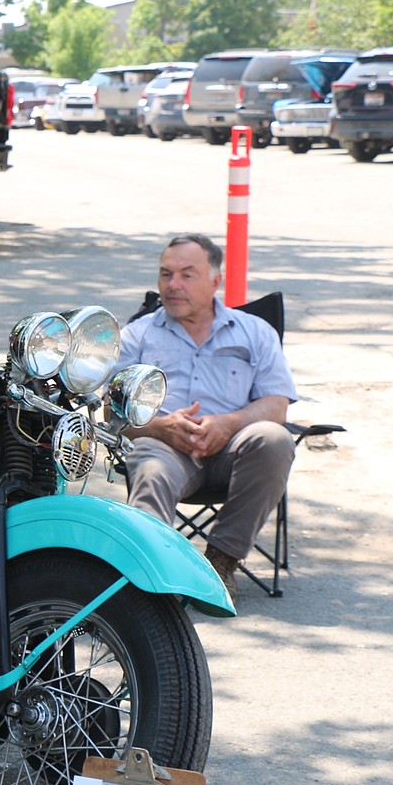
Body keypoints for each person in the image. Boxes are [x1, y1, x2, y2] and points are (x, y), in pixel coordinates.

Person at [117, 233, 298, 604]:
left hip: (234, 448)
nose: (173, 285)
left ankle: (220, 562)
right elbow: (109, 409)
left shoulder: (255, 332)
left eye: (187, 275)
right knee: (150, 470)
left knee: (275, 439)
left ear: (216, 281)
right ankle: (148, 581)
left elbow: (277, 404)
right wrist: (160, 427)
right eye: (166, 274)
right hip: (164, 445)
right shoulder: (138, 335)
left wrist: (229, 423)